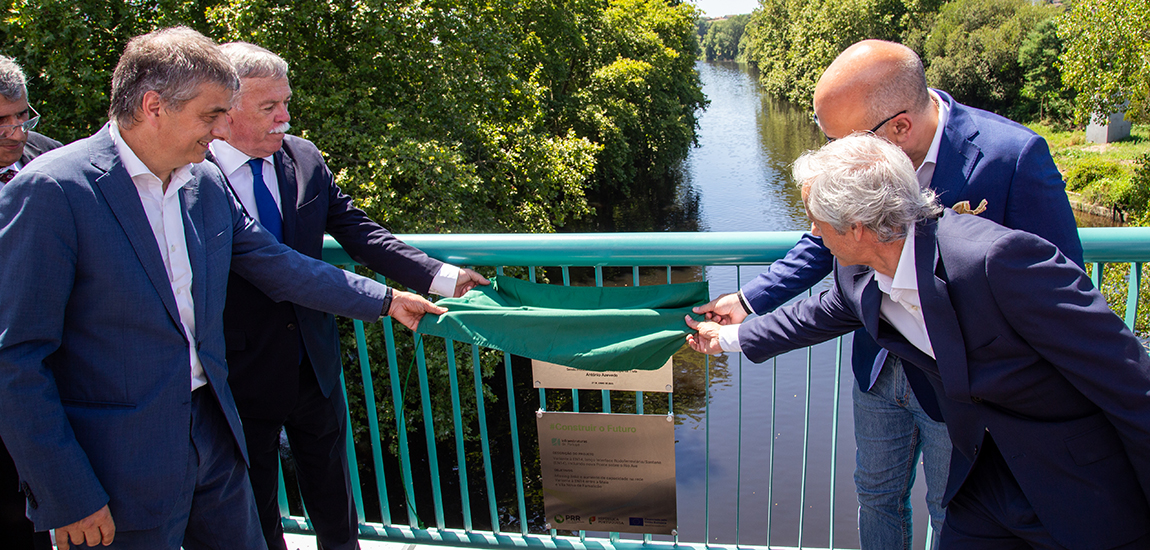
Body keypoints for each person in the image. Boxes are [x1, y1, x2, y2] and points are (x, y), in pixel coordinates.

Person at [0, 27, 445, 550]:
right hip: (117, 467)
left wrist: (387, 300)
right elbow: (16, 359)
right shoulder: (53, 190)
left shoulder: (203, 184)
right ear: (153, 106)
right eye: (211, 115)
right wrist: (66, 492)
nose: (219, 131)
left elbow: (278, 265)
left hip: (214, 440)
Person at [692, 39, 1084, 549]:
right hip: (879, 368)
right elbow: (825, 242)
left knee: (955, 508)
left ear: (899, 126)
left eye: (846, 141)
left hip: (962, 388)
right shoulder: (860, 174)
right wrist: (747, 303)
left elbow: (1063, 290)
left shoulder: (1012, 157)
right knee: (875, 496)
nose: (838, 158)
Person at [208, 42, 488, 550]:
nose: (285, 118)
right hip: (236, 374)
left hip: (313, 363)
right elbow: (276, 269)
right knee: (255, 513)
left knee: (336, 506)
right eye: (268, 107)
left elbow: (359, 232)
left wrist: (442, 277)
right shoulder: (194, 174)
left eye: (286, 102)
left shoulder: (303, 157)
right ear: (224, 112)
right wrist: (385, 300)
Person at [0, 53, 61, 550]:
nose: (16, 133)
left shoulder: (52, 158)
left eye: (22, 116)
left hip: (50, 377)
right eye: (0, 121)